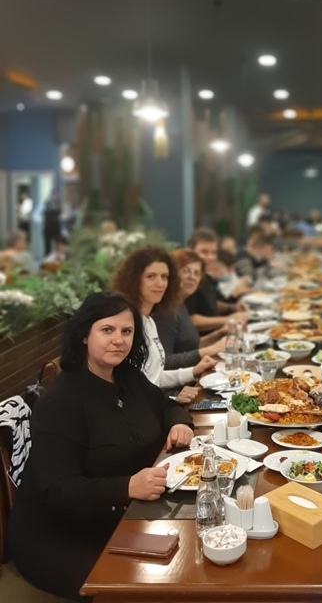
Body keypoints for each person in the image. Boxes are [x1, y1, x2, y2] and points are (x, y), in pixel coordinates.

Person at [8, 291, 194, 601]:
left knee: (190, 557)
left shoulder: (127, 376)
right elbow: (59, 490)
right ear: (84, 334)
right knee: (154, 590)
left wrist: (179, 422)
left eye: (127, 331)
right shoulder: (61, 402)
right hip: (61, 535)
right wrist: (127, 486)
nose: (118, 340)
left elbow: (166, 404)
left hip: (122, 515)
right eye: (107, 330)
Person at [112, 246, 216, 402]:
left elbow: (155, 377)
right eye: (151, 276)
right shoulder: (127, 325)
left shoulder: (149, 322)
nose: (160, 283)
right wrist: (173, 399)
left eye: (164, 277)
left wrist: (193, 371)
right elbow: (133, 390)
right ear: (134, 280)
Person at [153, 249, 227, 371]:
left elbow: (188, 346)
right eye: (185, 271)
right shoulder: (165, 310)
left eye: (197, 273)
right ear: (172, 274)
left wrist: (219, 334)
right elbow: (164, 362)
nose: (192, 277)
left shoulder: (180, 304)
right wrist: (210, 350)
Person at [185, 228, 248, 332]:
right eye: (204, 252)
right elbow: (190, 319)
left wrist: (232, 307)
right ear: (190, 251)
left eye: (213, 253)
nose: (210, 257)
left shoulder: (206, 277)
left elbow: (211, 303)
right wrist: (229, 319)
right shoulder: (187, 280)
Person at [43, 188, 62, 255]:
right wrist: (56, 217)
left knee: (58, 244)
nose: (54, 197)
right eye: (53, 195)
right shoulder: (47, 203)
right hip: (48, 227)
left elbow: (59, 213)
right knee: (47, 247)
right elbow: (47, 215)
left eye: (56, 195)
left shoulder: (58, 203)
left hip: (56, 227)